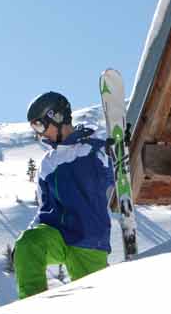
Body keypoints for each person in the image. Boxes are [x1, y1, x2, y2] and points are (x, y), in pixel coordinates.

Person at [14, 91, 114, 299]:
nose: (40, 134)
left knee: (95, 302)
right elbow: (44, 207)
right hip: (58, 236)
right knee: (28, 243)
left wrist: (118, 156)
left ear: (57, 116)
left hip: (89, 239)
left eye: (40, 126)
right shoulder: (48, 163)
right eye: (35, 128)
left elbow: (115, 177)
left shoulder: (93, 149)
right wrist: (27, 245)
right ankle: (30, 308)